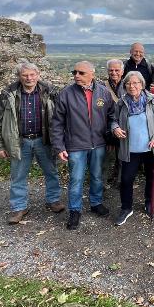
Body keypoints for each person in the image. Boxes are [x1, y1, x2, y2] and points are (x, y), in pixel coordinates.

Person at [0, 62, 64, 224]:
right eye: (25, 75)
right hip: (19, 142)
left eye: (32, 75)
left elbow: (61, 118)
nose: (29, 78)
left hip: (44, 140)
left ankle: (53, 200)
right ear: (19, 77)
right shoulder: (8, 94)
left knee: (51, 172)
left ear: (38, 75)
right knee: (18, 176)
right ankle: (19, 207)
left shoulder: (50, 92)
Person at [51, 61, 114, 230]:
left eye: (81, 73)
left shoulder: (103, 93)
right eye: (74, 72)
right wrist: (59, 146)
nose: (76, 76)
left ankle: (96, 203)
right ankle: (75, 211)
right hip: (76, 145)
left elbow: (111, 117)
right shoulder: (66, 94)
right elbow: (57, 123)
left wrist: (110, 140)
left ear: (92, 74)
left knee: (96, 176)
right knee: (76, 179)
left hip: (99, 144)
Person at [111, 71, 154, 225]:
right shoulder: (121, 103)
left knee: (152, 177)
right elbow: (113, 120)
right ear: (125, 86)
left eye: (135, 83)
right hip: (130, 149)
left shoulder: (153, 100)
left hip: (151, 148)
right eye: (129, 83)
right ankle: (126, 208)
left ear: (142, 84)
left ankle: (149, 202)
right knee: (126, 179)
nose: (132, 86)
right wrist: (115, 128)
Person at [102, 59, 125, 188]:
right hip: (106, 128)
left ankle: (121, 181)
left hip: (123, 127)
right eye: (111, 70)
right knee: (105, 158)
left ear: (122, 71)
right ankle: (103, 182)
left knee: (122, 157)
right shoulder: (101, 86)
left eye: (117, 70)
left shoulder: (128, 84)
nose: (114, 72)